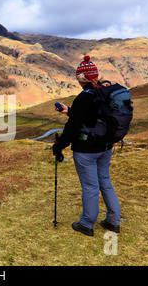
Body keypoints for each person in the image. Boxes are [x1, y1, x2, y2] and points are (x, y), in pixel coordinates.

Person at [52, 55, 121, 237]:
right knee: (105, 182)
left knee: (90, 186)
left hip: (86, 150)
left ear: (81, 79)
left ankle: (86, 224)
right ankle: (113, 221)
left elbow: (73, 126)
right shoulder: (105, 93)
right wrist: (70, 112)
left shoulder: (84, 97)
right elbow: (91, 118)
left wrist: (59, 146)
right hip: (105, 146)